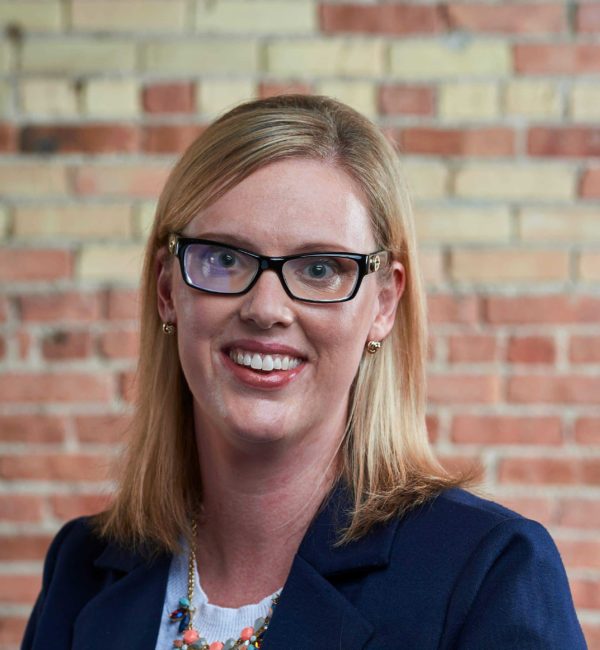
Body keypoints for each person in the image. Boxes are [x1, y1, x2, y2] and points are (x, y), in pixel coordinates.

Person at [22, 94, 586, 650]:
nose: (266, 308)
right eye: (225, 258)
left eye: (320, 268)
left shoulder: (487, 572)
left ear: (384, 304)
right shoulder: (81, 570)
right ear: (169, 288)